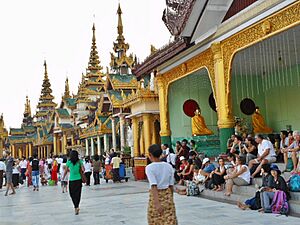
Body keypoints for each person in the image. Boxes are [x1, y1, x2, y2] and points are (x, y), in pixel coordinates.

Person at [145, 144, 177, 225]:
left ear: (150, 155)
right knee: (170, 221)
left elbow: (154, 185)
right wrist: (171, 200)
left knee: (155, 221)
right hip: (167, 195)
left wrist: (157, 203)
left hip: (156, 196)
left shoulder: (149, 168)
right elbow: (171, 186)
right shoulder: (168, 166)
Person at [63, 150, 84, 215]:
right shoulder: (80, 161)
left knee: (72, 194)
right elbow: (83, 169)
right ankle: (77, 206)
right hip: (78, 179)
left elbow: (66, 171)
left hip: (72, 180)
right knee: (78, 194)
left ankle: (76, 207)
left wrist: (63, 177)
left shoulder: (68, 162)